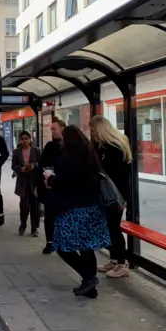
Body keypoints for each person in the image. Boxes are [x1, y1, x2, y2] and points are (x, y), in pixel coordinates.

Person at [44, 125, 111, 298]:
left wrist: (49, 178)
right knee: (86, 247)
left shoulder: (67, 159)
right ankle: (90, 287)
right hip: (92, 207)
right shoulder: (90, 156)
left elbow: (62, 182)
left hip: (73, 210)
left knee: (62, 246)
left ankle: (88, 278)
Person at [89, 115, 133, 279]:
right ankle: (114, 259)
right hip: (110, 194)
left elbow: (110, 173)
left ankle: (122, 264)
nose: (92, 133)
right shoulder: (105, 145)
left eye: (93, 129)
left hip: (115, 195)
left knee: (114, 228)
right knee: (109, 227)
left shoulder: (113, 148)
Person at [36, 118, 66, 254]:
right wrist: (43, 180)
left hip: (64, 187)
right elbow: (42, 165)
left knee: (62, 214)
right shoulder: (50, 146)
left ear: (62, 129)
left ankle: (61, 240)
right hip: (50, 186)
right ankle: (50, 242)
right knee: (49, 215)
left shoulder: (69, 146)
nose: (52, 131)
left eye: (54, 129)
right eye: (51, 129)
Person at [12, 131, 42, 236]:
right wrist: (21, 169)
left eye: (26, 138)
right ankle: (22, 225)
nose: (24, 140)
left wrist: (34, 165)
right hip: (23, 181)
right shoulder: (16, 152)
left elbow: (41, 163)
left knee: (35, 206)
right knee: (24, 205)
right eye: (22, 138)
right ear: (20, 140)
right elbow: (14, 165)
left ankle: (34, 228)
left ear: (30, 139)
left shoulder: (37, 151)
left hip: (34, 182)